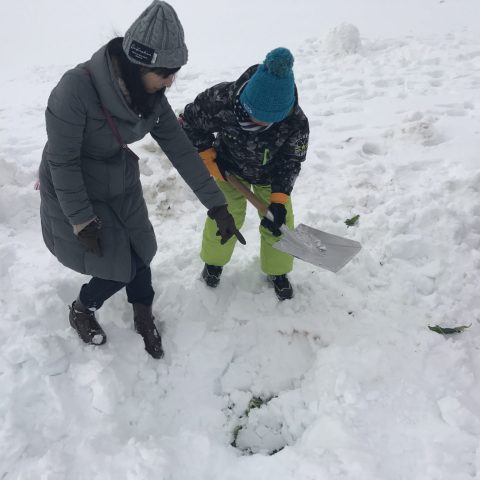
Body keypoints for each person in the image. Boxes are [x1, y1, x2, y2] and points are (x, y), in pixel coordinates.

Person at [39, 1, 244, 358]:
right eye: (165, 73)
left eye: (174, 73)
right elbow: (63, 161)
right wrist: (81, 219)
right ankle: (82, 308)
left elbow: (181, 150)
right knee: (114, 265)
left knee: (139, 250)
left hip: (118, 175)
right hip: (75, 184)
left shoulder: (150, 97)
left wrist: (216, 205)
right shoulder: (75, 90)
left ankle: (142, 309)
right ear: (139, 64)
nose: (170, 82)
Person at [179, 48, 309, 300]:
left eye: (269, 121)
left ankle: (278, 271)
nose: (260, 123)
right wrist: (208, 157)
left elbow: (291, 160)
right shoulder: (221, 100)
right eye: (255, 116)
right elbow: (189, 123)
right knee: (224, 215)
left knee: (279, 223)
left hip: (271, 178)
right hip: (228, 169)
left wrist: (279, 198)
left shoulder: (295, 121)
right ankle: (213, 263)